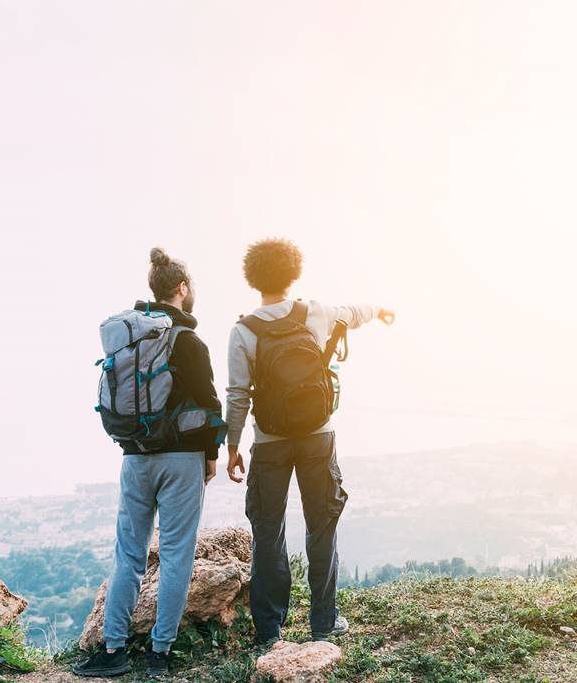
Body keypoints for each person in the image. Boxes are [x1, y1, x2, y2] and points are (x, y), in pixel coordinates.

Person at [225, 238, 394, 644]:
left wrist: (232, 447)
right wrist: (380, 310)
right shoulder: (315, 311)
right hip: (318, 436)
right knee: (322, 526)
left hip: (269, 442)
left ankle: (269, 630)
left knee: (268, 531)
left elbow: (237, 395)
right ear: (293, 272)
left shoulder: (243, 330)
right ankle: (324, 621)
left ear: (253, 278)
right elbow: (354, 313)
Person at [73, 247, 224, 678]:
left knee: (128, 556)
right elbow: (212, 406)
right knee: (176, 555)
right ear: (182, 288)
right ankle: (160, 653)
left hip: (135, 459)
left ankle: (113, 649)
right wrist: (211, 455)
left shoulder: (132, 338)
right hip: (181, 462)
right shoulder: (189, 341)